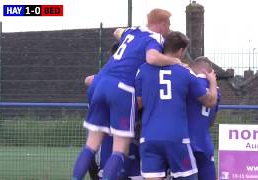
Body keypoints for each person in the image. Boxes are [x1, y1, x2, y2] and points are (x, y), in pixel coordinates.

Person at [72, 8, 180, 180]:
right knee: (120, 148)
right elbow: (152, 58)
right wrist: (176, 61)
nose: (169, 29)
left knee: (90, 146)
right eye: (169, 25)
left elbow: (117, 31)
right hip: (121, 88)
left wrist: (125, 39)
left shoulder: (132, 31)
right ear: (162, 24)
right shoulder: (155, 38)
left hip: (99, 83)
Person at [135, 31, 218, 180]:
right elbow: (210, 101)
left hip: (148, 137)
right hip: (176, 138)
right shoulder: (185, 72)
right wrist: (212, 82)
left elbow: (138, 103)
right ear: (180, 51)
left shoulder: (142, 70)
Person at [187, 56, 221, 180]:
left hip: (187, 141)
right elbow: (211, 121)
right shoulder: (216, 90)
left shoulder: (189, 83)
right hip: (205, 143)